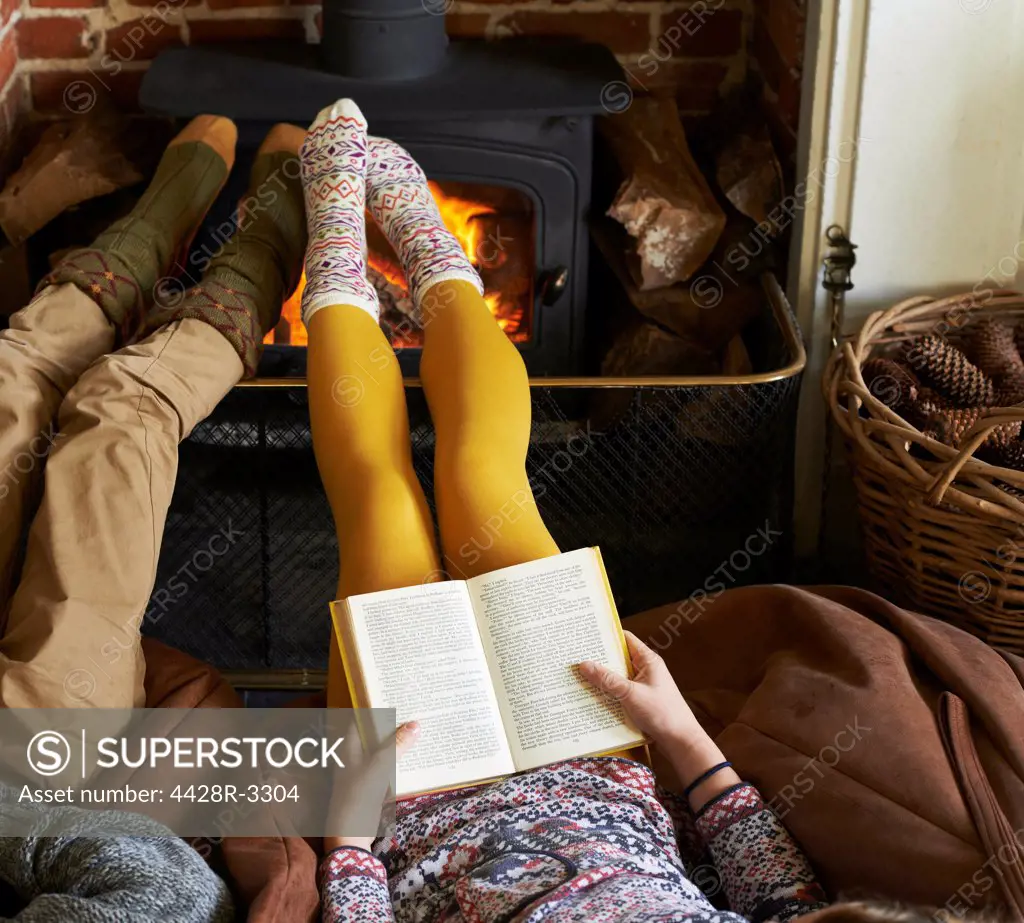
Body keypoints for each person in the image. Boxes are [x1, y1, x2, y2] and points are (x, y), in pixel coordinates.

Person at [300, 98, 830, 923]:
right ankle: (441, 265)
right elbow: (782, 891)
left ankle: (334, 246)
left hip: (421, 801)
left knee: (380, 502)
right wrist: (681, 731)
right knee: (482, 474)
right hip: (587, 750)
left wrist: (351, 839)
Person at [0, 113, 308, 920]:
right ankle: (264, 253)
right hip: (28, 761)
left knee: (10, 381)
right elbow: (163, 890)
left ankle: (143, 241)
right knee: (118, 414)